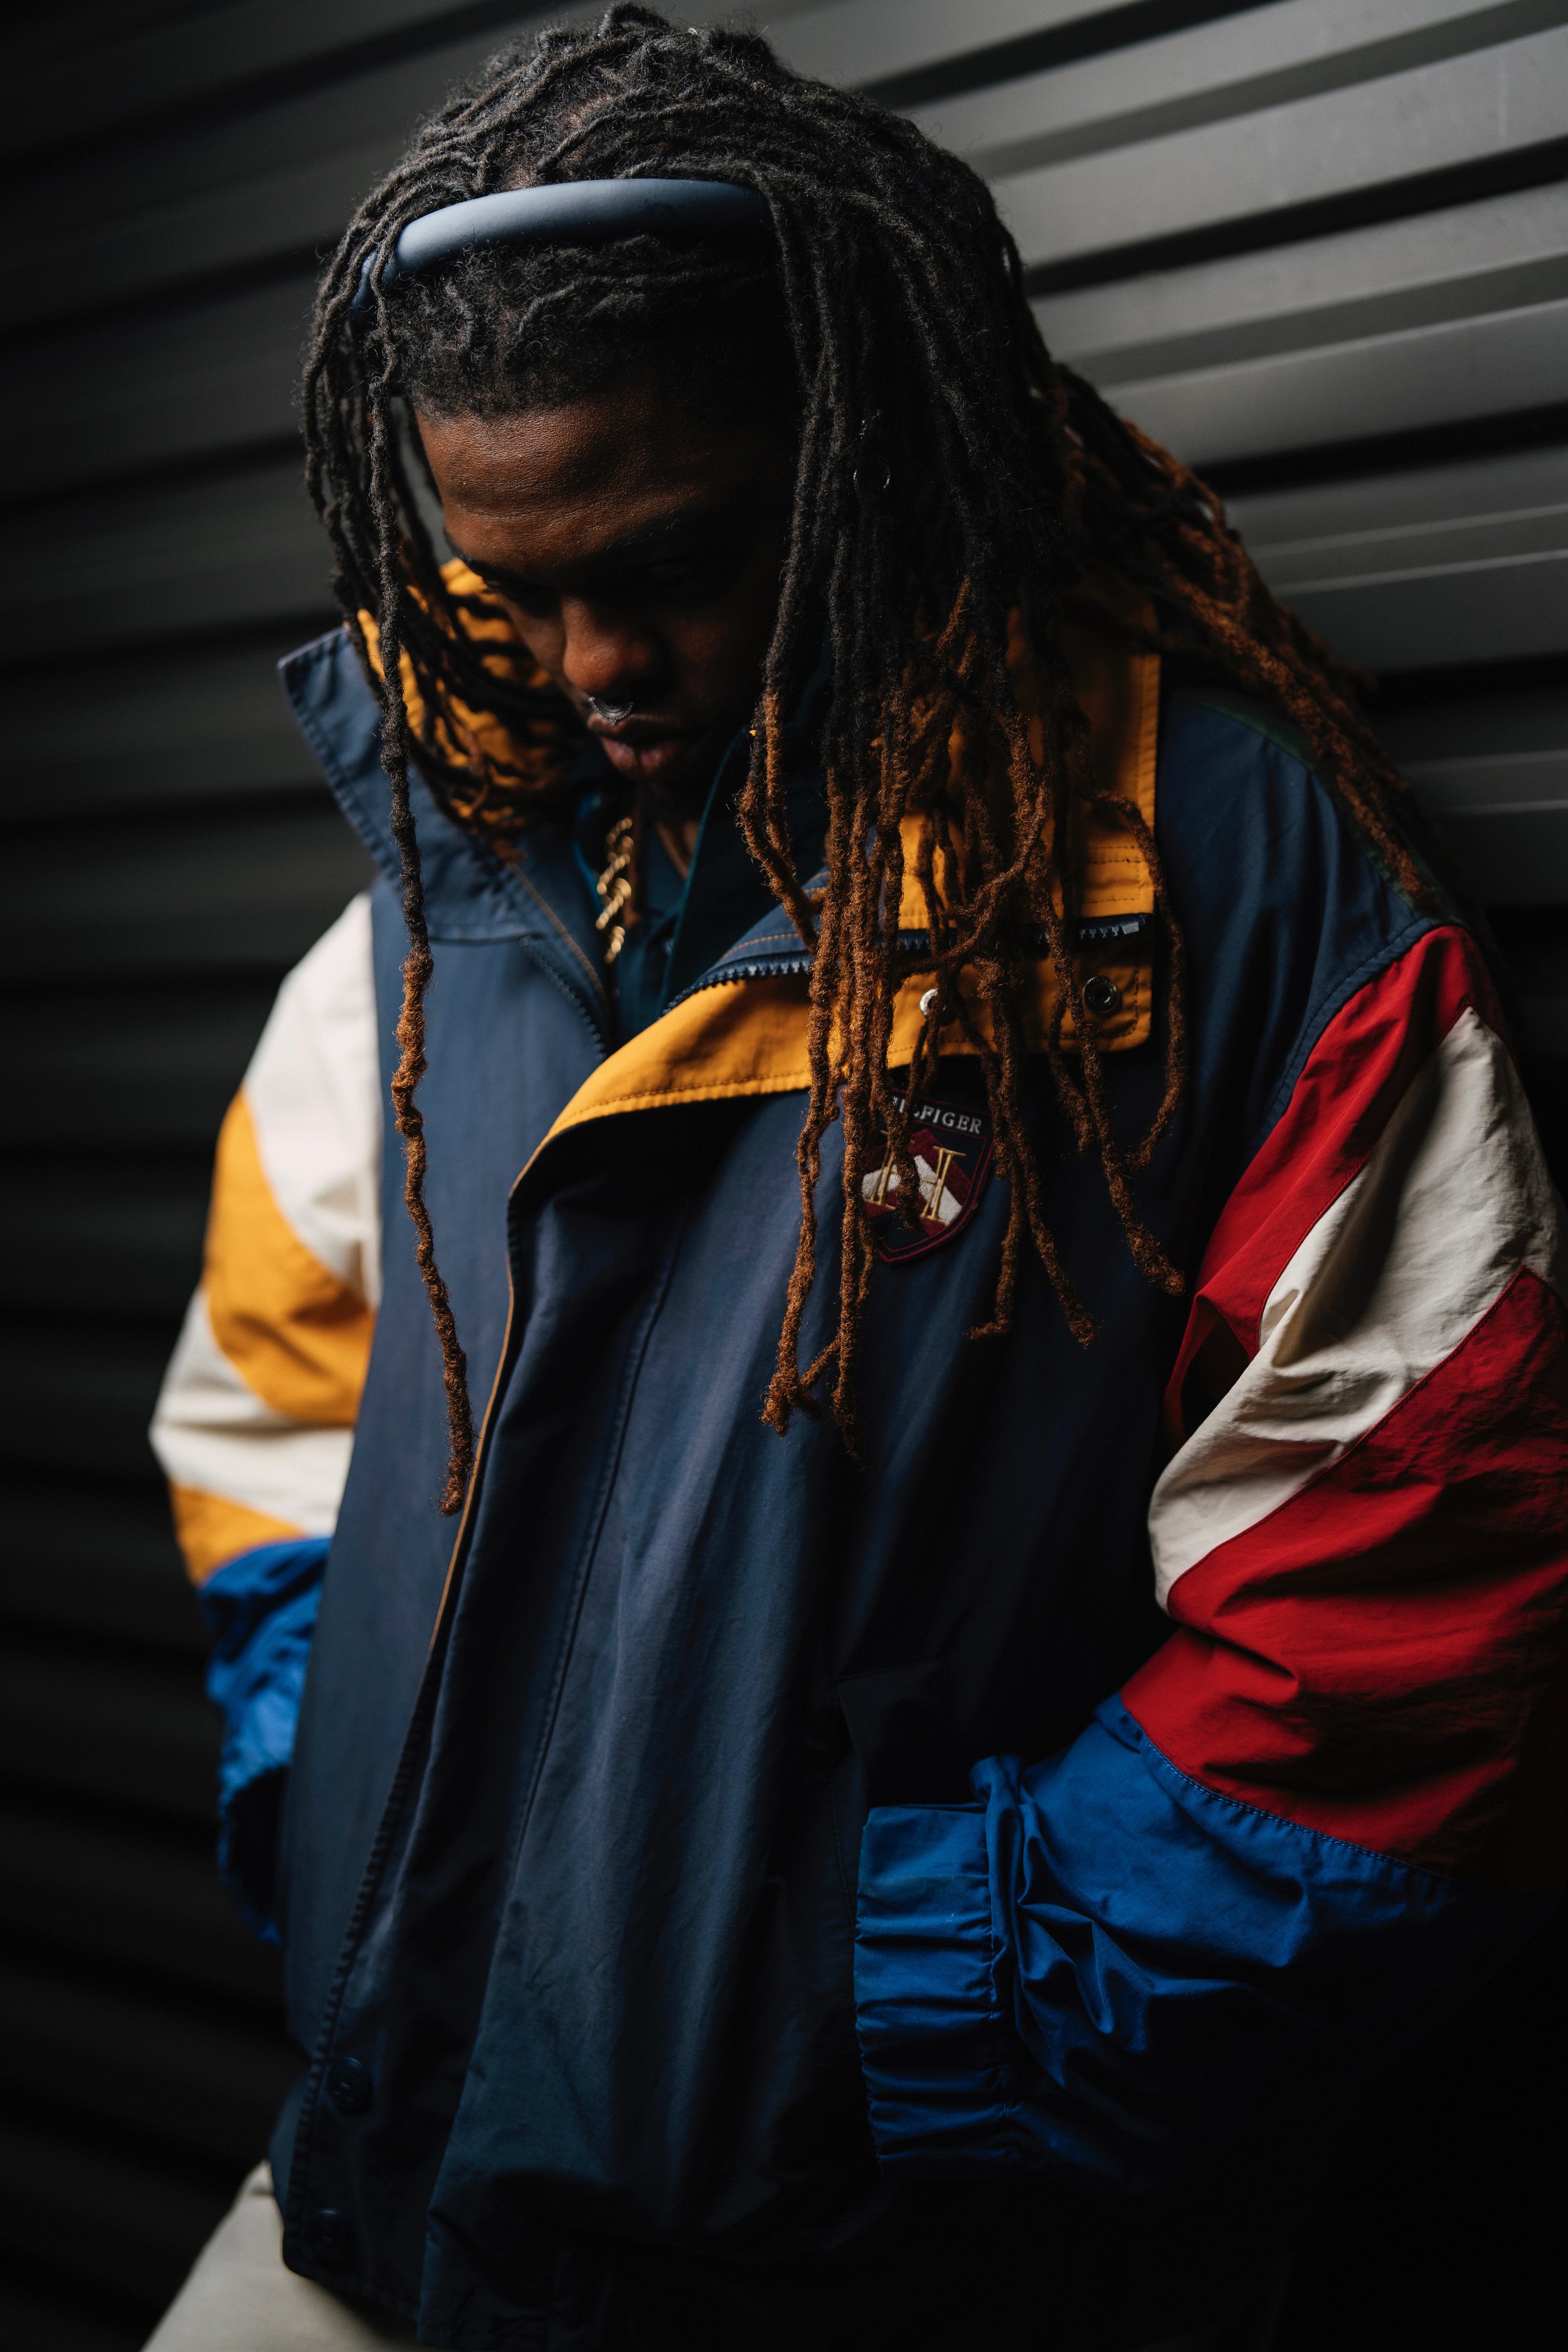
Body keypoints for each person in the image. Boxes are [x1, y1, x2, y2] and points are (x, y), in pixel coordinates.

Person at [144, 9, 1568, 2348]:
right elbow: (270, 1394)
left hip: (886, 2265)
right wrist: (344, 1819)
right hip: (384, 2212)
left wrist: (915, 2025)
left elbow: (1407, 1601)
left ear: (871, 444)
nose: (593, 664)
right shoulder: (445, 885)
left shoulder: (1209, 890)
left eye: (676, 561)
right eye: (507, 583)